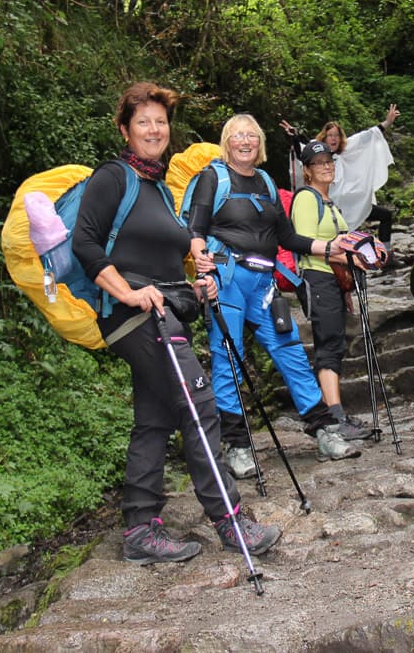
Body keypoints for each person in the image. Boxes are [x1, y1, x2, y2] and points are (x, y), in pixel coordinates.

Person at [73, 83, 280, 564]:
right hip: (133, 316)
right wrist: (125, 290)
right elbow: (84, 244)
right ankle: (231, 523)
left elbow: (165, 263)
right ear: (125, 129)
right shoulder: (113, 177)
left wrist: (198, 288)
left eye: (160, 121)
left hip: (164, 313)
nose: (154, 129)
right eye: (143, 121)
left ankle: (141, 529)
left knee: (155, 418)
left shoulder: (159, 190)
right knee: (200, 403)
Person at [187, 114, 372, 479]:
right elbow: (195, 228)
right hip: (227, 279)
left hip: (263, 283)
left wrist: (332, 246)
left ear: (260, 143)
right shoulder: (213, 178)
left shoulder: (266, 182)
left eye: (252, 136)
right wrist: (201, 267)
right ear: (227, 141)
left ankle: (325, 433)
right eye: (238, 135)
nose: (245, 142)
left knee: (291, 354)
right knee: (228, 359)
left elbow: (288, 238)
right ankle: (237, 448)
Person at [289, 140, 378, 425]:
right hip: (317, 278)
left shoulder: (329, 202)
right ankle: (335, 417)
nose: (327, 166)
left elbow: (340, 243)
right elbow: (305, 242)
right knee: (328, 345)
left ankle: (334, 414)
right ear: (307, 171)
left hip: (332, 282)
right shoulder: (306, 198)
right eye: (319, 163)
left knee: (335, 344)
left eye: (330, 161)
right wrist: (349, 260)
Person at [280, 104, 401, 264]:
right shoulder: (317, 153)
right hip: (331, 208)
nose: (333, 138)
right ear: (324, 137)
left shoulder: (348, 149)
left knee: (385, 215)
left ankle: (386, 255)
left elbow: (368, 136)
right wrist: (294, 137)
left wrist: (387, 122)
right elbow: (302, 153)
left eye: (336, 135)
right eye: (330, 135)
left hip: (354, 203)